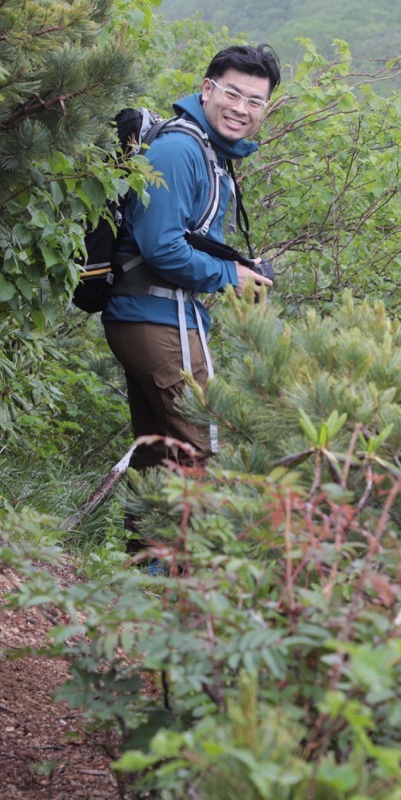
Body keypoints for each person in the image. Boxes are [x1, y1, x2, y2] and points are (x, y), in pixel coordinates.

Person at [102, 44, 279, 476]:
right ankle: (193, 546)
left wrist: (237, 264)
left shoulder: (209, 152)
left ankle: (144, 546)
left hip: (154, 314)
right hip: (158, 317)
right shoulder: (181, 150)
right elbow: (161, 246)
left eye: (255, 101)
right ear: (207, 89)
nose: (242, 109)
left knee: (160, 452)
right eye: (233, 94)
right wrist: (227, 275)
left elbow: (188, 236)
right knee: (202, 448)